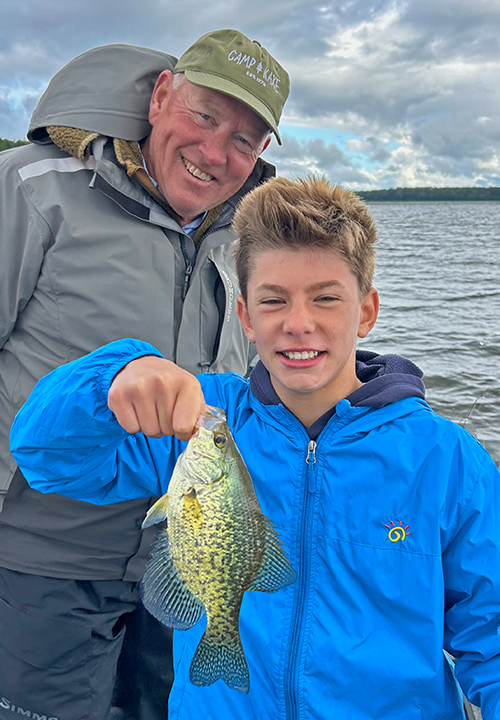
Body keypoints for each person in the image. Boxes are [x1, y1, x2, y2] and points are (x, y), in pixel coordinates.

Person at [10, 175, 500, 720]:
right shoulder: (201, 419)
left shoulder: (446, 461)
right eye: (273, 300)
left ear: (366, 311)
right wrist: (110, 377)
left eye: (326, 298)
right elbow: (49, 459)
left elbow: (492, 634)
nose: (298, 324)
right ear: (245, 316)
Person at [0, 30, 289, 720]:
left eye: (246, 140)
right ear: (161, 97)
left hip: (183, 564)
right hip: (44, 563)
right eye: (205, 116)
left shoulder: (248, 239)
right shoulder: (34, 190)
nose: (217, 153)